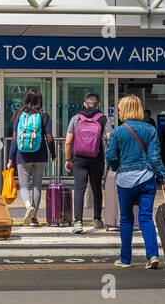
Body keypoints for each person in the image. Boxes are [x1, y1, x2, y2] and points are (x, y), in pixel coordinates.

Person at [105, 93, 165, 269]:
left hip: (125, 180)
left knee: (126, 219)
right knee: (145, 218)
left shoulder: (118, 131)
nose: (118, 112)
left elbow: (111, 156)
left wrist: (116, 167)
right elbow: (155, 158)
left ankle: (126, 259)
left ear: (124, 110)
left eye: (119, 109)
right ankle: (152, 255)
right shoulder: (150, 129)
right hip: (147, 178)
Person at [6, 88, 54, 226]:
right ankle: (34, 218)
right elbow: (49, 138)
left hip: (22, 155)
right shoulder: (44, 115)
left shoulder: (19, 115)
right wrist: (54, 154)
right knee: (37, 185)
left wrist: (11, 158)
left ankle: (28, 207)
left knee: (25, 186)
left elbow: (15, 139)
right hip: (40, 154)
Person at [64, 91, 107, 233]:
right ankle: (97, 220)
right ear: (98, 104)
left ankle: (78, 222)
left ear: (84, 104)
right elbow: (110, 137)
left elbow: (68, 142)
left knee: (79, 189)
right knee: (96, 189)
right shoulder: (103, 119)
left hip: (79, 159)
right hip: (97, 158)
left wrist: (68, 159)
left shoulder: (76, 118)